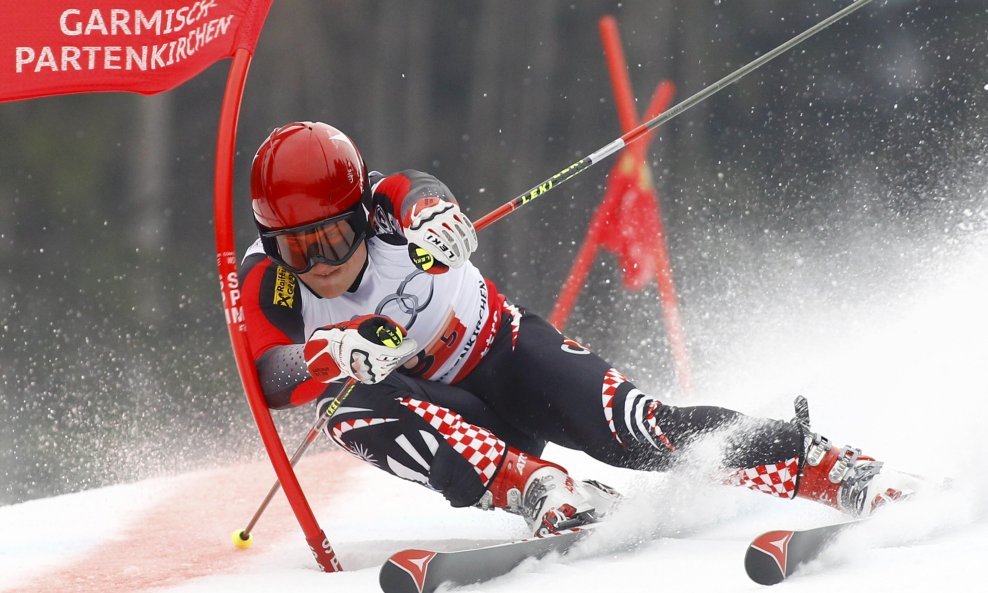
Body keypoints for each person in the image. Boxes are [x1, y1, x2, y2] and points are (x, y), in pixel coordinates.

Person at [239, 121, 920, 536]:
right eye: (300, 249)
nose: (321, 264)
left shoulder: (388, 205)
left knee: (643, 432)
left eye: (333, 237)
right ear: (273, 245)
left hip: (507, 353)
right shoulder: (266, 281)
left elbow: (421, 192)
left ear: (359, 211)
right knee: (341, 406)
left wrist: (438, 219)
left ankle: (823, 465)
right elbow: (268, 377)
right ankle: (538, 488)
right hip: (449, 419)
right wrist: (326, 354)